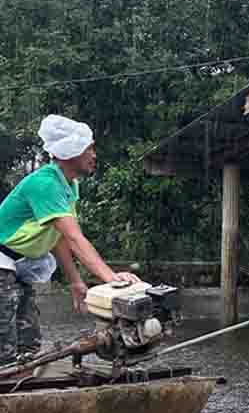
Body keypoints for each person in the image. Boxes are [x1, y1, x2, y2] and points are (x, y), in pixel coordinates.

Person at [0, 115, 142, 365]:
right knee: (4, 347)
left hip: (19, 265)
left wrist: (76, 281)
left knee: (29, 344)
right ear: (70, 152)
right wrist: (111, 278)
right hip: (3, 262)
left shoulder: (68, 184)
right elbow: (76, 238)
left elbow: (60, 237)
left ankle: (25, 382)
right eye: (89, 149)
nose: (94, 155)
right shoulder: (45, 184)